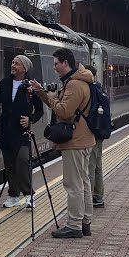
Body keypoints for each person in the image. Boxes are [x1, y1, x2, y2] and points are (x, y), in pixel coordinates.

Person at [29, 48, 94, 239]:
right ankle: (85, 222)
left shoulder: (74, 84)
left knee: (73, 184)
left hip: (75, 141)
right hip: (83, 139)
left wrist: (48, 96)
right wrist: (43, 93)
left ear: (65, 63)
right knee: (83, 182)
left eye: (56, 63)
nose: (54, 67)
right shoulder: (79, 81)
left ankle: (74, 225)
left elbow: (64, 111)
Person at [0, 54, 43, 209]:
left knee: (23, 162)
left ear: (24, 68)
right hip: (6, 130)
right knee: (9, 164)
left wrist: (30, 120)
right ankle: (13, 195)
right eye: (12, 62)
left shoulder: (29, 86)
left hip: (22, 131)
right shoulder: (4, 83)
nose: (13, 65)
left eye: (16, 63)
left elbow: (39, 110)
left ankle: (29, 195)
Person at [83, 64, 104, 208]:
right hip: (99, 132)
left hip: (92, 132)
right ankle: (98, 196)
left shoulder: (89, 89)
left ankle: (88, 199)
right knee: (97, 166)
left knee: (90, 167)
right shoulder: (98, 87)